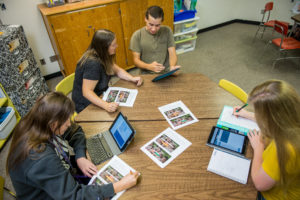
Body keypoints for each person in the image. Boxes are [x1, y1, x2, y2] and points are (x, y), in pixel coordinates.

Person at [6, 92, 139, 200]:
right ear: (53, 124)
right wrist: (119, 186)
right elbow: (73, 196)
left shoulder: (37, 122)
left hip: (59, 178)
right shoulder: (41, 158)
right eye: (66, 122)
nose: (69, 124)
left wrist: (80, 157)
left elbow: (76, 131)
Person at [233, 80, 300, 200]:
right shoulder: (293, 119)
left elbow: (259, 184)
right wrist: (248, 115)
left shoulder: (283, 148)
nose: (257, 116)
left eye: (258, 113)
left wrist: (258, 148)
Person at [72, 29, 143, 113]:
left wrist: (132, 78)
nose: (116, 46)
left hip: (100, 94)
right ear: (104, 47)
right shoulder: (92, 64)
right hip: (86, 104)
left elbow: (117, 70)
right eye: (113, 45)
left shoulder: (102, 54)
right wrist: (106, 105)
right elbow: (87, 92)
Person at [130, 5, 181, 74]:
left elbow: (172, 53)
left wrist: (172, 66)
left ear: (162, 22)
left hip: (166, 72)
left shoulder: (167, 31)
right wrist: (149, 66)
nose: (154, 29)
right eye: (151, 24)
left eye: (157, 25)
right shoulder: (137, 36)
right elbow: (136, 60)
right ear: (145, 19)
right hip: (147, 73)